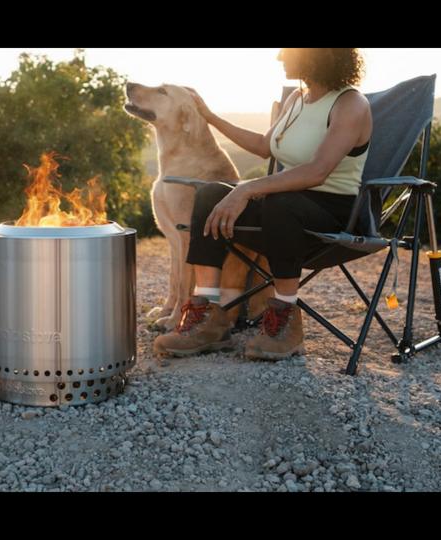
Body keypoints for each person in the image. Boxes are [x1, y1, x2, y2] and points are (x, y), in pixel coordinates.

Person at [153, 48, 373, 360]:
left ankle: (285, 319)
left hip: (333, 212)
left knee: (279, 203)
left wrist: (247, 190)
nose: (280, 58)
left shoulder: (351, 104)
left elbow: (317, 170)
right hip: (284, 207)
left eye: (287, 52)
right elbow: (262, 146)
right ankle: (208, 317)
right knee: (210, 193)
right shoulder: (297, 100)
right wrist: (210, 117)